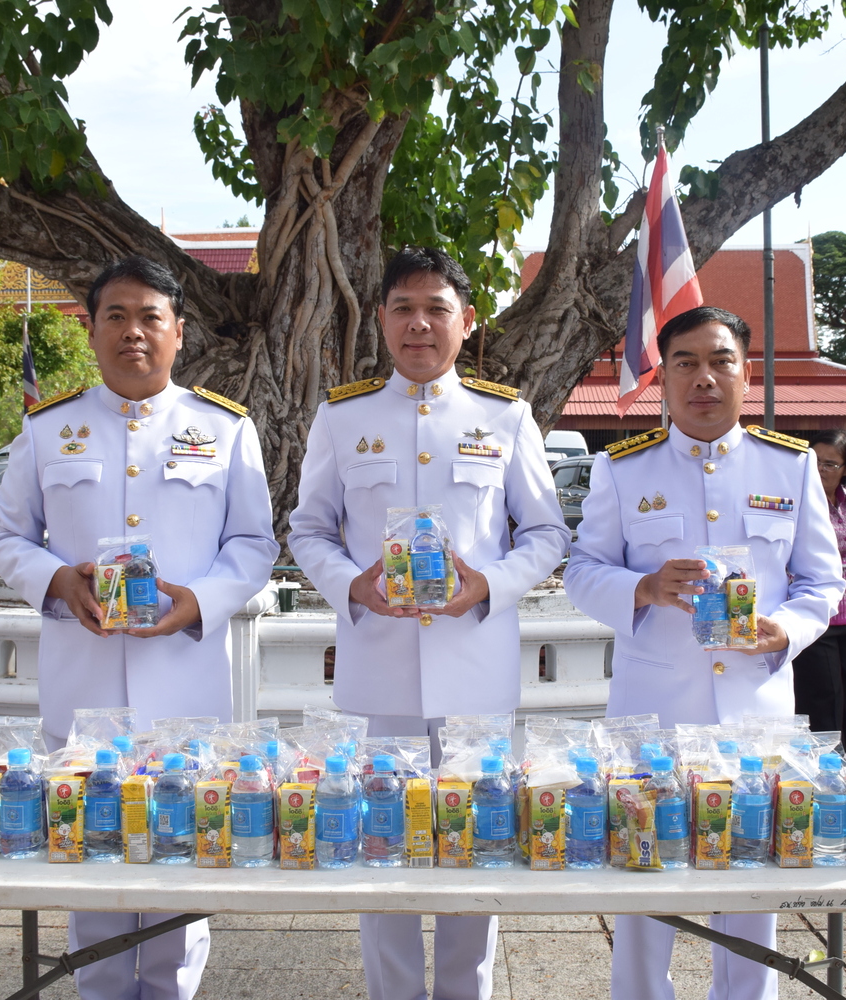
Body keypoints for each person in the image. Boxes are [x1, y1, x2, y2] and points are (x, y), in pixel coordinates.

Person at [0, 255, 278, 1000]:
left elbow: (253, 545)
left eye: (151, 317)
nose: (134, 332)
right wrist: (56, 579)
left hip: (185, 685)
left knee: (183, 868)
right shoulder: (50, 429)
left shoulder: (222, 427)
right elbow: (5, 537)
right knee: (93, 871)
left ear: (179, 331)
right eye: (115, 316)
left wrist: (200, 601)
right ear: (90, 330)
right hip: (84, 687)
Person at [288, 246, 569, 1000]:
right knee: (378, 846)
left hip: (475, 674)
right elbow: (307, 529)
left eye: (436, 309)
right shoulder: (343, 417)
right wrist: (353, 585)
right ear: (380, 319)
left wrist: (489, 584)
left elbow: (547, 533)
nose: (419, 324)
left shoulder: (503, 416)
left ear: (467, 321)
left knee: (475, 848)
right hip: (377, 673)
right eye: (403, 308)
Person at [564, 305, 844, 1000]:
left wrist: (786, 629)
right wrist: (645, 586)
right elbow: (581, 569)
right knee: (643, 878)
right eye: (685, 362)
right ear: (663, 379)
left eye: (721, 361)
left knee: (751, 876)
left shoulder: (791, 466)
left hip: (753, 707)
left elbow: (822, 579)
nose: (704, 378)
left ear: (746, 375)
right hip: (653, 710)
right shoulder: (623, 469)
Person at [791, 429, 846, 746]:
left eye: (830, 464)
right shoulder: (795, 502)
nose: (822, 470)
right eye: (815, 462)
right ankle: (825, 772)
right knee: (823, 701)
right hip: (815, 614)